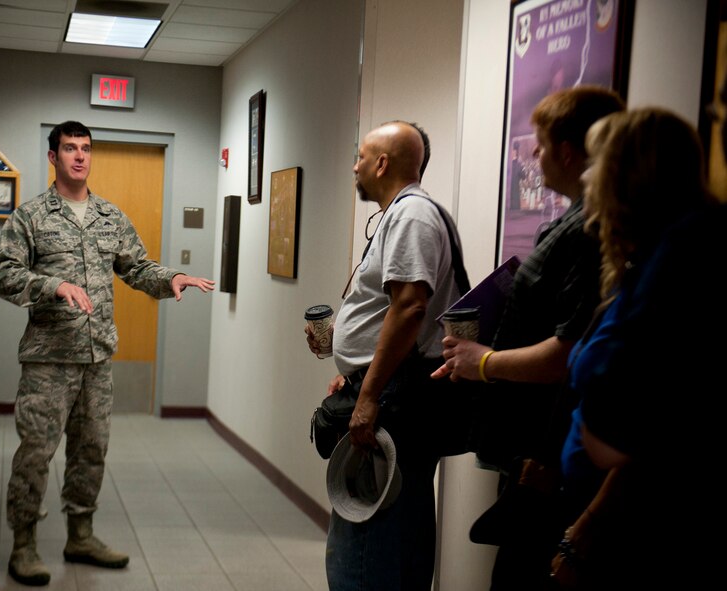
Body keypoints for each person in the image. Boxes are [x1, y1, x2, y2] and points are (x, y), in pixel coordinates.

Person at [0, 120, 215, 586]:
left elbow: (137, 266)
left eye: (86, 149)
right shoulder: (30, 217)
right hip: (48, 361)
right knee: (36, 452)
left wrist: (169, 278)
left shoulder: (109, 217)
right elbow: (5, 276)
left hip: (97, 361)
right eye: (70, 148)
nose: (79, 156)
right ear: (52, 157)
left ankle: (81, 534)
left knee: (91, 450)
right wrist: (52, 285)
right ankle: (24, 543)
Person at [431, 86, 625, 590]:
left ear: (566, 150)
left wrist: (486, 361)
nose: (532, 156)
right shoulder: (569, 220)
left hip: (552, 457)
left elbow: (567, 351)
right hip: (532, 451)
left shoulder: (590, 231)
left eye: (538, 146)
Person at [554, 104, 725, 590]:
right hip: (615, 516)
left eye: (596, 162)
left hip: (645, 529)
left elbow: (663, 414)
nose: (586, 176)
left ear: (629, 174)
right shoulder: (646, 256)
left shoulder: (684, 253)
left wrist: (586, 529)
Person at [306, 121, 463, 590]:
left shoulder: (412, 216)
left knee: (367, 548)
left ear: (381, 163)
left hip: (396, 403)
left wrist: (368, 393)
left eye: (360, 156)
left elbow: (411, 304)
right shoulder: (399, 216)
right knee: (397, 535)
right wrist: (353, 362)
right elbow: (390, 309)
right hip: (391, 390)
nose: (353, 166)